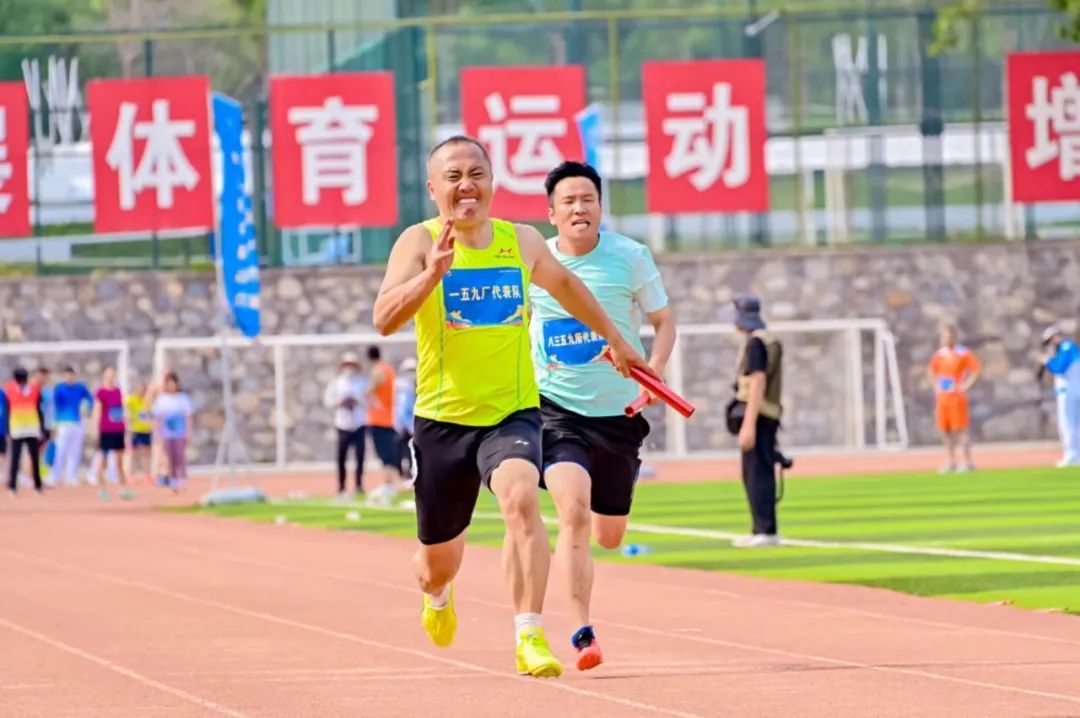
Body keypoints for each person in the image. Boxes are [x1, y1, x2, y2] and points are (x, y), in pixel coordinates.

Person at [372, 135, 651, 678]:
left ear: (492, 182)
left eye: (476, 174)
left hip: (511, 413)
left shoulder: (520, 241)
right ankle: (437, 594)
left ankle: (529, 634)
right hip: (443, 419)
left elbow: (566, 286)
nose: (466, 186)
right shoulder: (417, 241)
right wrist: (431, 276)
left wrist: (616, 339)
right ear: (433, 189)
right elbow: (383, 319)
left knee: (522, 497)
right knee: (436, 565)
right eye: (453, 177)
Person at [529, 161, 676, 671]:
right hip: (555, 411)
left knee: (608, 534)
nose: (579, 208)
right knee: (571, 511)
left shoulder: (629, 256)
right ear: (552, 214)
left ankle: (611, 495)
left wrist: (655, 372)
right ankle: (582, 631)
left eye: (587, 199)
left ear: (600, 207)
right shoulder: (535, 261)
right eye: (568, 201)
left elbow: (663, 320)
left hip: (618, 414)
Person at [728, 294, 784, 548]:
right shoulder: (768, 340)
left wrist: (748, 425)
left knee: (756, 473)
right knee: (760, 470)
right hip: (767, 413)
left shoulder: (756, 343)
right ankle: (762, 528)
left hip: (759, 414)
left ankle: (764, 530)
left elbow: (757, 381)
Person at [927, 322, 981, 473]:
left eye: (948, 335)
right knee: (945, 430)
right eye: (943, 335)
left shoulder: (962, 353)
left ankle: (968, 461)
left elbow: (976, 369)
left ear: (954, 336)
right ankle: (951, 461)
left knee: (961, 429)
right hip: (943, 398)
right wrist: (935, 386)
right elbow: (931, 371)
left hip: (956, 398)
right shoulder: (940, 354)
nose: (945, 338)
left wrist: (966, 385)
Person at [322, 352, 368, 500]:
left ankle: (359, 484)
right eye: (347, 365)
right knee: (341, 456)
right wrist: (339, 402)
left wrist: (357, 400)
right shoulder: (336, 382)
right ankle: (341, 486)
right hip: (342, 424)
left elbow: (369, 400)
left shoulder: (363, 382)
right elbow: (328, 401)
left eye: (352, 365)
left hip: (359, 423)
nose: (350, 368)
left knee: (360, 456)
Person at [364, 345, 403, 507]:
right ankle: (392, 484)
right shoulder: (389, 369)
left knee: (384, 454)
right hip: (389, 418)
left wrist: (369, 397)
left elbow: (371, 389)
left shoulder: (378, 371)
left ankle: (388, 485)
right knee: (390, 453)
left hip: (378, 419)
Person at [1040, 324, 1080, 467]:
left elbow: (1059, 368)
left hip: (1068, 392)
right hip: (1071, 390)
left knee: (1067, 423)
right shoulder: (1068, 348)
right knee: (1074, 423)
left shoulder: (1066, 347)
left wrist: (1047, 361)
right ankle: (1075, 455)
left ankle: (1072, 455)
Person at [91, 366, 132, 500]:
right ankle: (102, 489)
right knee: (103, 461)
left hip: (118, 430)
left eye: (113, 374)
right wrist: (96, 430)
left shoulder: (118, 391)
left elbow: (120, 410)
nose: (111, 376)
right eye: (109, 374)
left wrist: (126, 425)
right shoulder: (100, 392)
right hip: (105, 430)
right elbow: (97, 412)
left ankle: (123, 488)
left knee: (119, 462)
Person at [51, 366, 94, 487]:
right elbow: (54, 405)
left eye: (71, 375)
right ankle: (56, 476)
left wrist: (88, 409)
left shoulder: (80, 388)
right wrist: (54, 422)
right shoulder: (59, 388)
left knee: (75, 451)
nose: (69, 377)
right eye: (67, 375)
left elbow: (90, 398)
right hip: (63, 423)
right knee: (60, 450)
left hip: (77, 422)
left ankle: (72, 476)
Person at [4, 367, 44, 497]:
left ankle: (38, 485)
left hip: (32, 428)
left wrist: (42, 427)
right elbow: (7, 410)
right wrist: (7, 429)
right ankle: (12, 487)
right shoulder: (9, 389)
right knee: (15, 458)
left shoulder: (34, 390)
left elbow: (39, 410)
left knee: (34, 457)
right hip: (17, 428)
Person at [152, 372, 194, 492]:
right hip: (167, 434)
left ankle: (182, 479)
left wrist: (188, 432)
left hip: (179, 433)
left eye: (173, 382)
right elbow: (158, 418)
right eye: (168, 383)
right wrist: (158, 433)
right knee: (169, 457)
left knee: (180, 456)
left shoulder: (183, 398)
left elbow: (188, 417)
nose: (171, 385)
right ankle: (173, 479)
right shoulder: (162, 399)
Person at [125, 379, 154, 483]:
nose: (141, 391)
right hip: (135, 430)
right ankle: (130, 475)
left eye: (143, 390)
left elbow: (150, 414)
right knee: (133, 453)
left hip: (146, 430)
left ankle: (147, 475)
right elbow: (127, 414)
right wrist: (129, 427)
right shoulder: (131, 400)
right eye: (139, 389)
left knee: (146, 454)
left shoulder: (147, 400)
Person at [393, 357, 418, 480]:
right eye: (409, 370)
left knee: (412, 451)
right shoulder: (400, 385)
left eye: (413, 370)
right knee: (400, 450)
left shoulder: (418, 386)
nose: (411, 373)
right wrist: (403, 424)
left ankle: (411, 473)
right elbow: (401, 407)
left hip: (413, 423)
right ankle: (402, 474)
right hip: (402, 424)